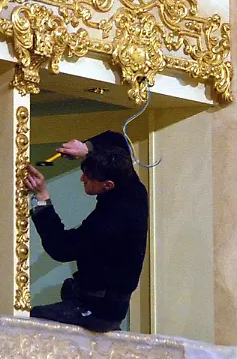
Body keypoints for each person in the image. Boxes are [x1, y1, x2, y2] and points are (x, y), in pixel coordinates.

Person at [25, 133, 148, 332]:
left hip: (99, 310)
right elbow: (118, 141)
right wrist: (86, 148)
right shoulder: (132, 187)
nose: (82, 178)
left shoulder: (111, 220)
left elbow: (61, 248)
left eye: (88, 178)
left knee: (32, 323)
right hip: (110, 305)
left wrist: (41, 196)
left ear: (108, 185)